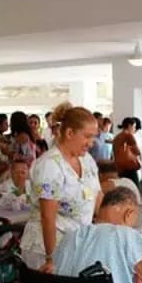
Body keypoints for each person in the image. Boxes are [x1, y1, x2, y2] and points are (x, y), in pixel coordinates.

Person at [20, 102, 102, 272]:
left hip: (76, 242)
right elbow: (47, 217)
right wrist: (51, 258)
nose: (91, 143)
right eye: (87, 136)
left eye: (93, 137)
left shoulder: (86, 160)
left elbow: (97, 196)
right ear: (70, 132)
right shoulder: (50, 164)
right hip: (47, 247)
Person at [113, 117, 142, 187]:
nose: (134, 129)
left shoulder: (117, 137)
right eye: (134, 127)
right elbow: (137, 151)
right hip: (129, 168)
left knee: (124, 189)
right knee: (135, 189)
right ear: (129, 126)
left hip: (119, 168)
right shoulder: (129, 136)